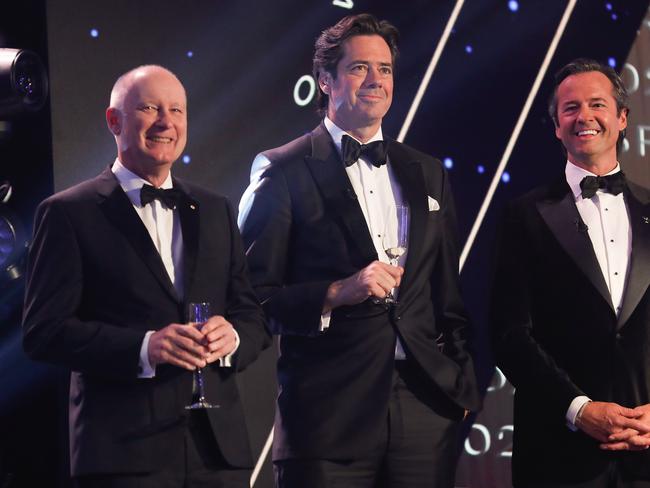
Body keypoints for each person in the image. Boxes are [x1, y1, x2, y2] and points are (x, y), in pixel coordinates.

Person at [238, 13, 480, 488]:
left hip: (425, 410)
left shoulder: (427, 172)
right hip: (328, 417)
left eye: (385, 69)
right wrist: (336, 292)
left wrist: (460, 380)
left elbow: (447, 292)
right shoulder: (282, 170)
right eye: (359, 68)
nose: (376, 81)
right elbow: (251, 298)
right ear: (325, 80)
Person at [22, 65, 270, 487]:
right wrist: (144, 347)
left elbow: (251, 313)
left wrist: (235, 338)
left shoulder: (215, 209)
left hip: (218, 454)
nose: (166, 122)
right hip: (123, 456)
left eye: (177, 110)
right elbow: (44, 332)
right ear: (114, 121)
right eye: (150, 108)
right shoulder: (68, 213)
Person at [491, 58, 650, 487]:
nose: (584, 117)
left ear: (621, 118)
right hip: (559, 457)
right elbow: (509, 335)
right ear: (557, 127)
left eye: (596, 104)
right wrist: (579, 409)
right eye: (570, 108)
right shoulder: (522, 216)